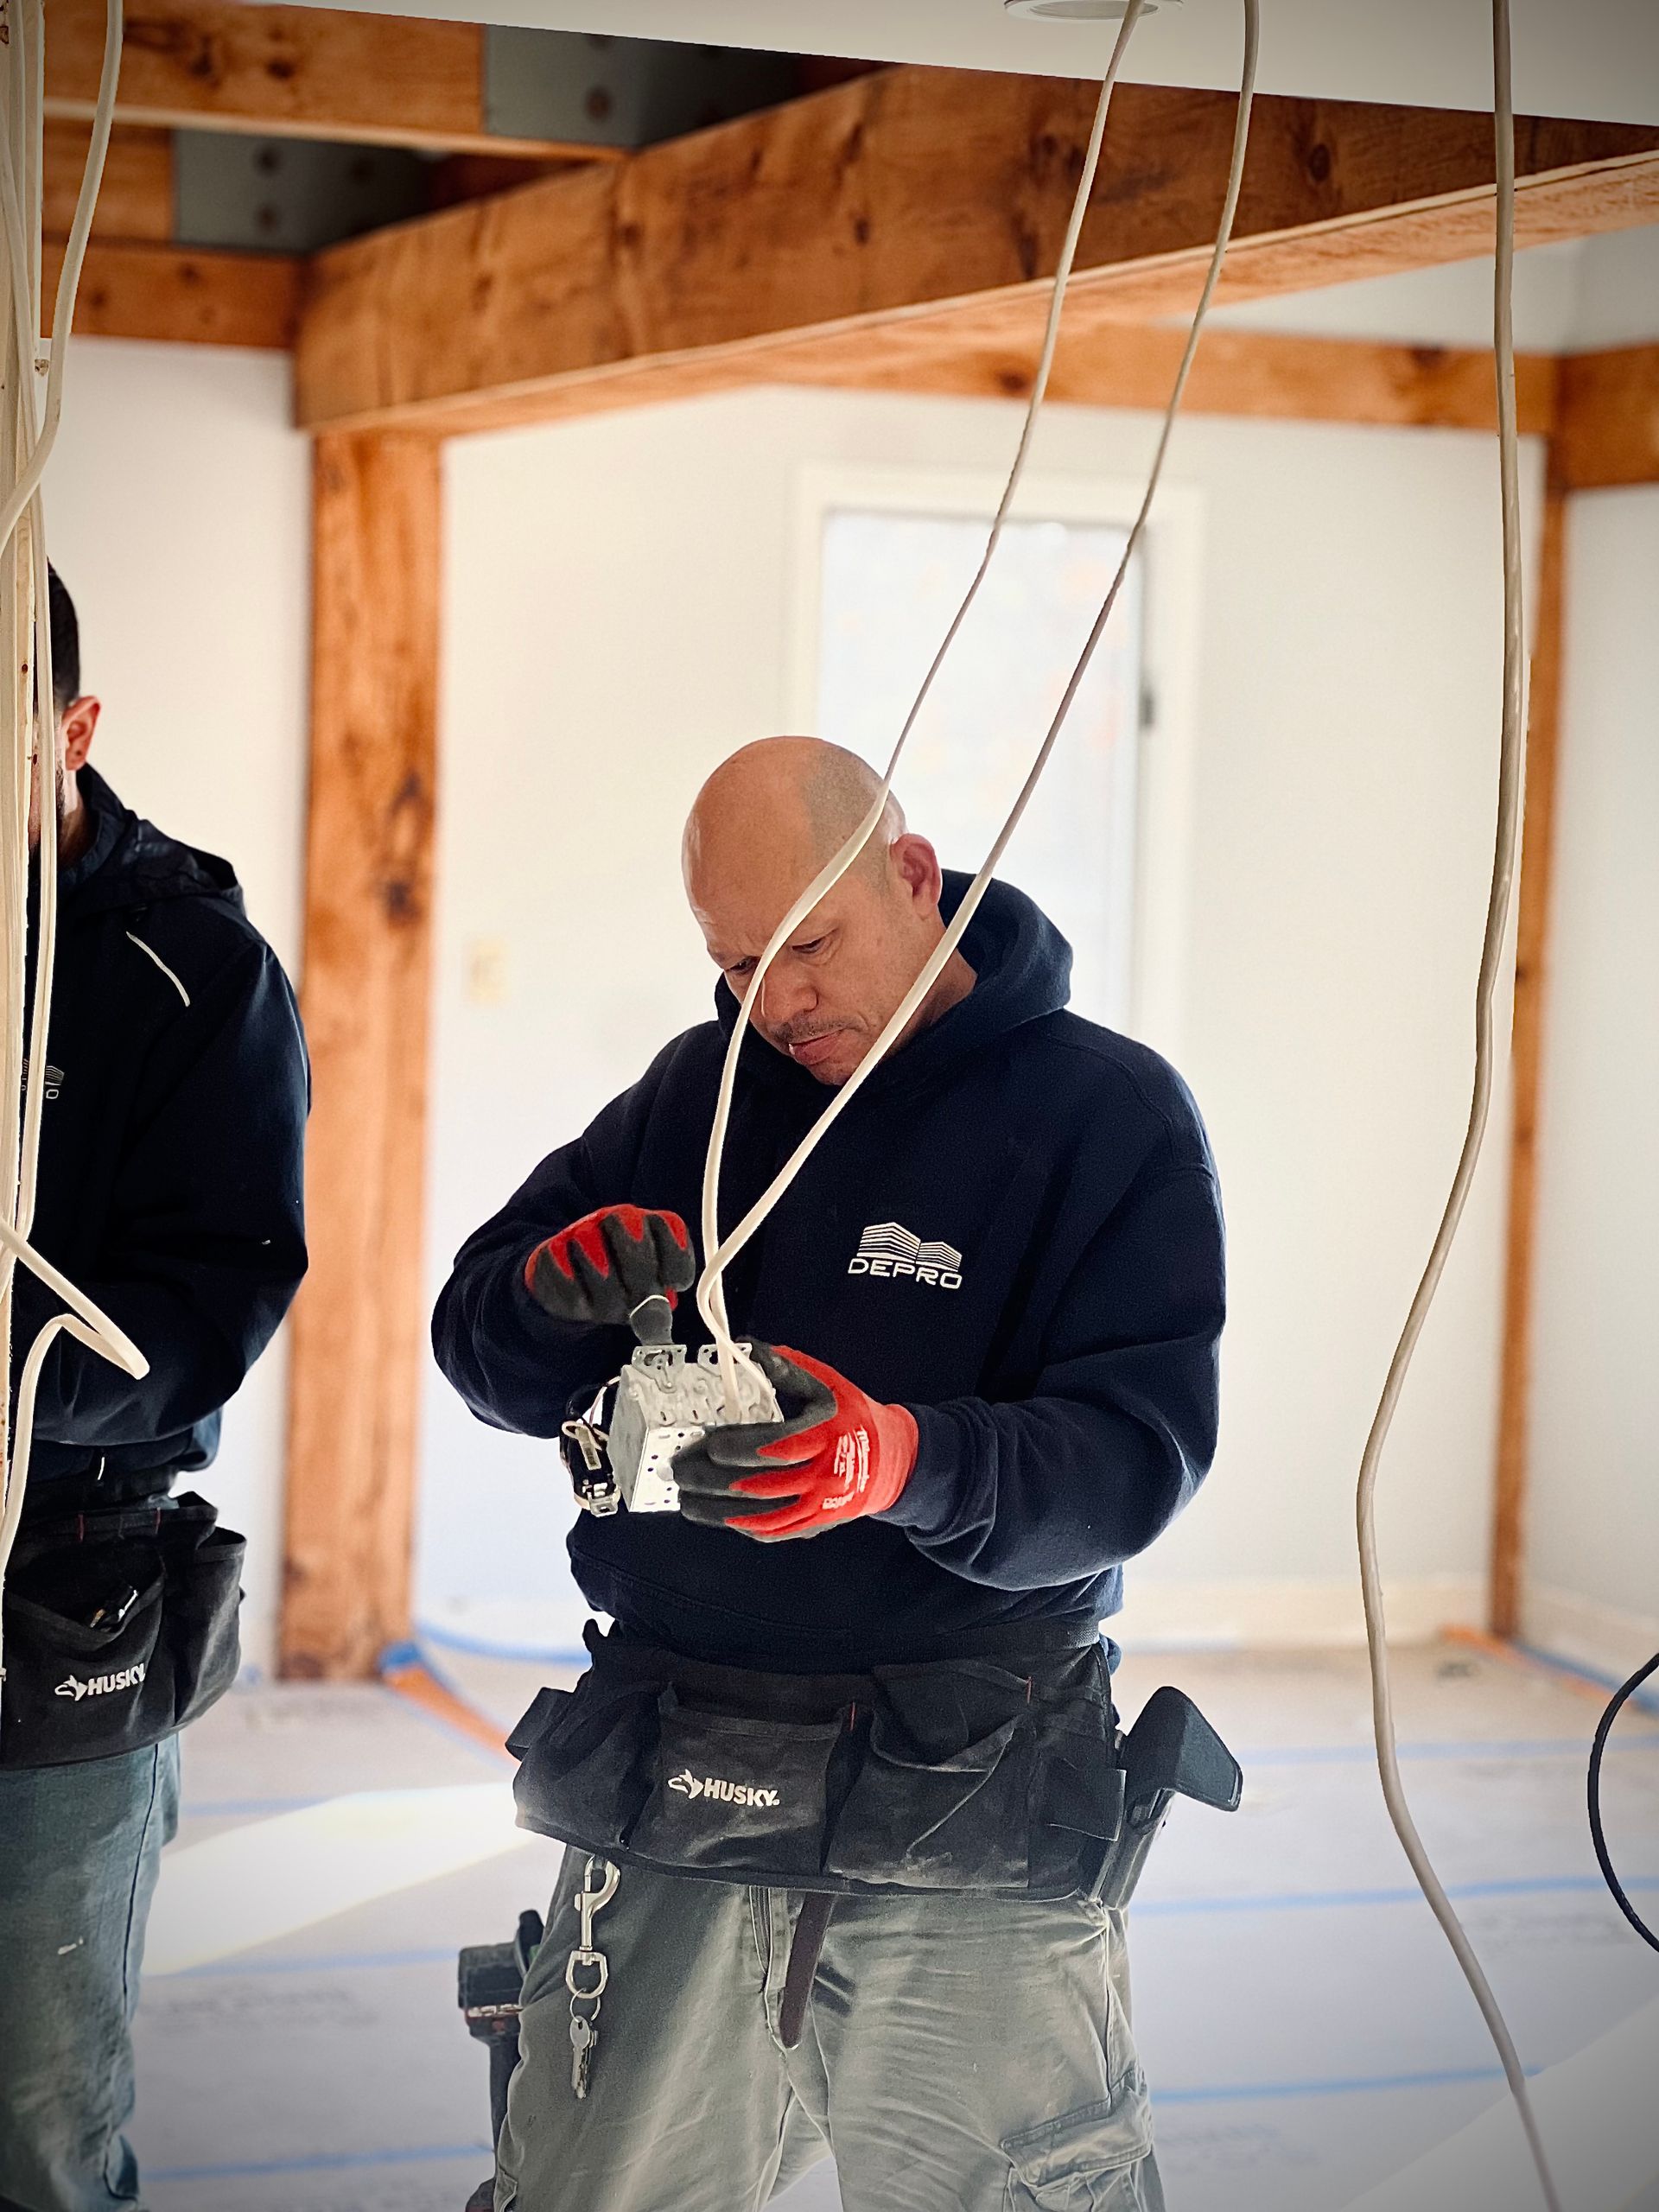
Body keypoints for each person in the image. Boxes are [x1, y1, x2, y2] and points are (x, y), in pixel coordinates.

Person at [434, 735, 1225, 2212]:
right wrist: (539, 1301)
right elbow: (476, 1344)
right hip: (674, 1763)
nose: (774, 1001)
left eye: (811, 944)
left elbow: (1137, 1456)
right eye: (735, 963)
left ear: (914, 879)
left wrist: (904, 1460)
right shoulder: (696, 1097)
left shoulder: (1100, 1117)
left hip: (971, 1781)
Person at [0, 572, 308, 2212]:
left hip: (64, 1577)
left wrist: (18, 1394)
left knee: (36, 2111)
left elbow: (215, 1300)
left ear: (76, 726)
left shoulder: (191, 972)